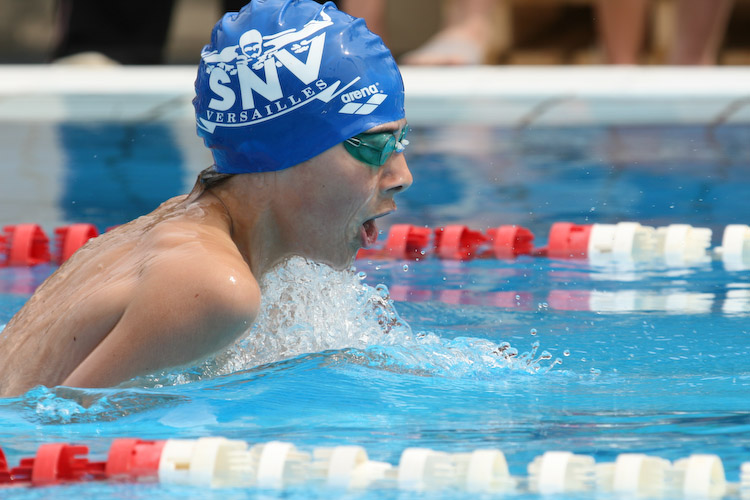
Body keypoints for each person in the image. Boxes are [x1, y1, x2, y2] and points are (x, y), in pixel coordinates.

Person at [0, 0, 412, 398]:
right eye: (374, 145)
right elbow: (54, 428)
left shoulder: (181, 225)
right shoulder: (215, 287)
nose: (402, 176)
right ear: (283, 151)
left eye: (401, 140)